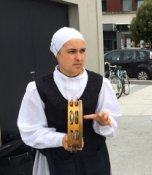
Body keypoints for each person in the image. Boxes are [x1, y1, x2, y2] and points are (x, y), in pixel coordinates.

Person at [17, 27, 121, 175]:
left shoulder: (100, 84)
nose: (79, 57)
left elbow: (112, 125)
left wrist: (103, 123)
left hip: (93, 161)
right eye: (72, 51)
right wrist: (61, 139)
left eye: (82, 51)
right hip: (56, 162)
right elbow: (30, 131)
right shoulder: (38, 89)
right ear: (56, 53)